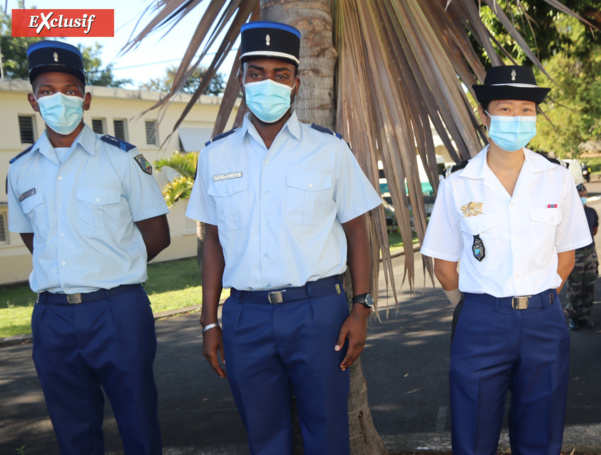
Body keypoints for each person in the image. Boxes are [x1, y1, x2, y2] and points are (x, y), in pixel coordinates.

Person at [185, 21, 382, 455]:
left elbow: (357, 230)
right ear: (241, 80)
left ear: (296, 83)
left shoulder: (329, 149)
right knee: (264, 438)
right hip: (246, 317)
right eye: (256, 73)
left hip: (317, 314)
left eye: (279, 74)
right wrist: (210, 320)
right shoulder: (216, 155)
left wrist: (361, 307)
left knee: (327, 434)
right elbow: (213, 242)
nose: (267, 84)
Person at [6, 41, 171, 454]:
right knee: (72, 431)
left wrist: (110, 266)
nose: (58, 99)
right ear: (32, 99)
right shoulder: (20, 169)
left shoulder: (121, 158)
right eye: (46, 91)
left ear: (87, 98)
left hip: (117, 310)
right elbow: (35, 239)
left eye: (69, 90)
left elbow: (157, 233)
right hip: (53, 317)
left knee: (138, 423)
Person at [422, 65, 591, 455]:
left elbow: (566, 255)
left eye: (526, 109)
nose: (516, 118)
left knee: (542, 435)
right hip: (481, 320)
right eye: (505, 108)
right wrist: (473, 307)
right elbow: (444, 266)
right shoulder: (458, 182)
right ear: (485, 117)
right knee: (473, 435)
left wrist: (538, 297)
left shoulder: (557, 177)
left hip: (544, 321)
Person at [564, 183, 599, 330]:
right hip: (576, 253)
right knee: (575, 288)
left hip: (590, 252)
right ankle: (573, 317)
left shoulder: (591, 212)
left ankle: (585, 316)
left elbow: (595, 230)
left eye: (584, 196)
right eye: (580, 196)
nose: (583, 198)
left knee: (589, 287)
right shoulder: (569, 213)